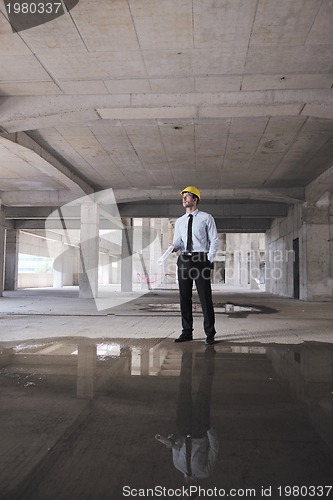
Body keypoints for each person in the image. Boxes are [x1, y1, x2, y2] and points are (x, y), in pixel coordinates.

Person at [172, 186, 219, 345]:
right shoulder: (179, 221)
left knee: (205, 298)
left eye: (187, 196)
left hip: (201, 259)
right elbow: (179, 241)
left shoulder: (206, 218)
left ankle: (210, 334)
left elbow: (214, 239)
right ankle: (187, 332)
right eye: (183, 196)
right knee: (184, 298)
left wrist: (209, 259)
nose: (184, 199)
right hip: (184, 260)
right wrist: (173, 247)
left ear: (195, 199)